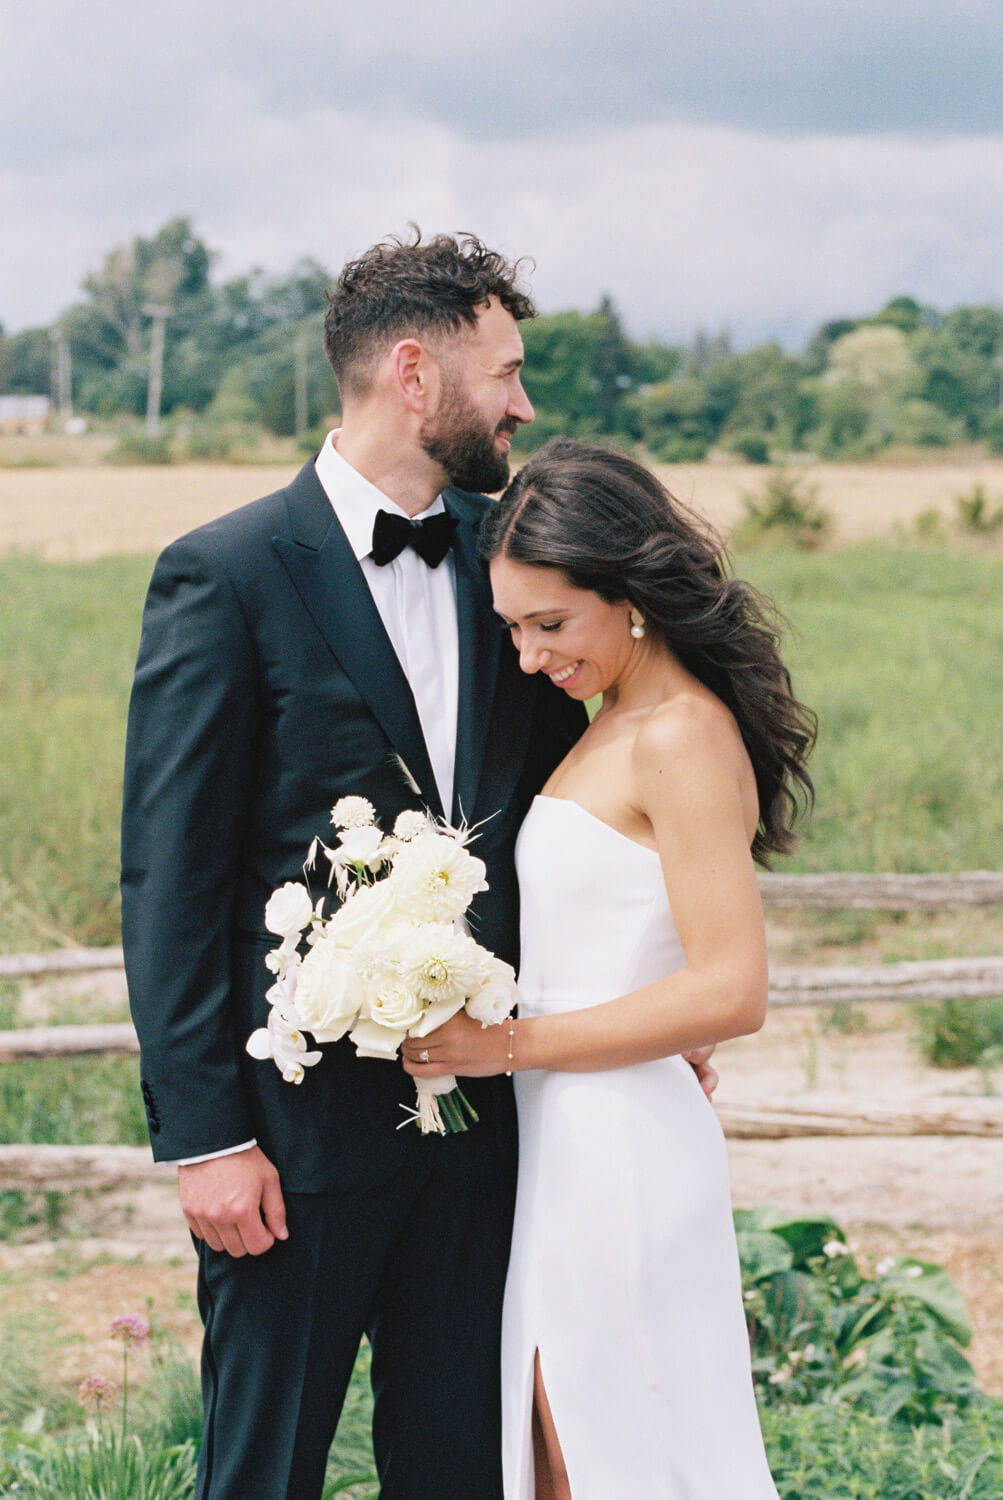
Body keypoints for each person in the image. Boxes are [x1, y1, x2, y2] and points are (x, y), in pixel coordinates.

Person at [121, 232, 591, 1500]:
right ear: (410, 371)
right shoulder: (223, 575)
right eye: (504, 371)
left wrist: (635, 1003)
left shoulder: (522, 560)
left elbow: (571, 811)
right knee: (262, 1469)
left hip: (486, 1126)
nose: (522, 403)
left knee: (459, 1466)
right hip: (290, 1144)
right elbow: (169, 877)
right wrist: (207, 1137)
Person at [403, 438, 816, 1500]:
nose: (531, 656)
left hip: (620, 1152)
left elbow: (732, 990)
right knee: (564, 1453)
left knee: (618, 1454)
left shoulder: (677, 735)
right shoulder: (609, 724)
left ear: (630, 595)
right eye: (512, 630)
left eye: (552, 625)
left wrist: (501, 1046)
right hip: (561, 1138)